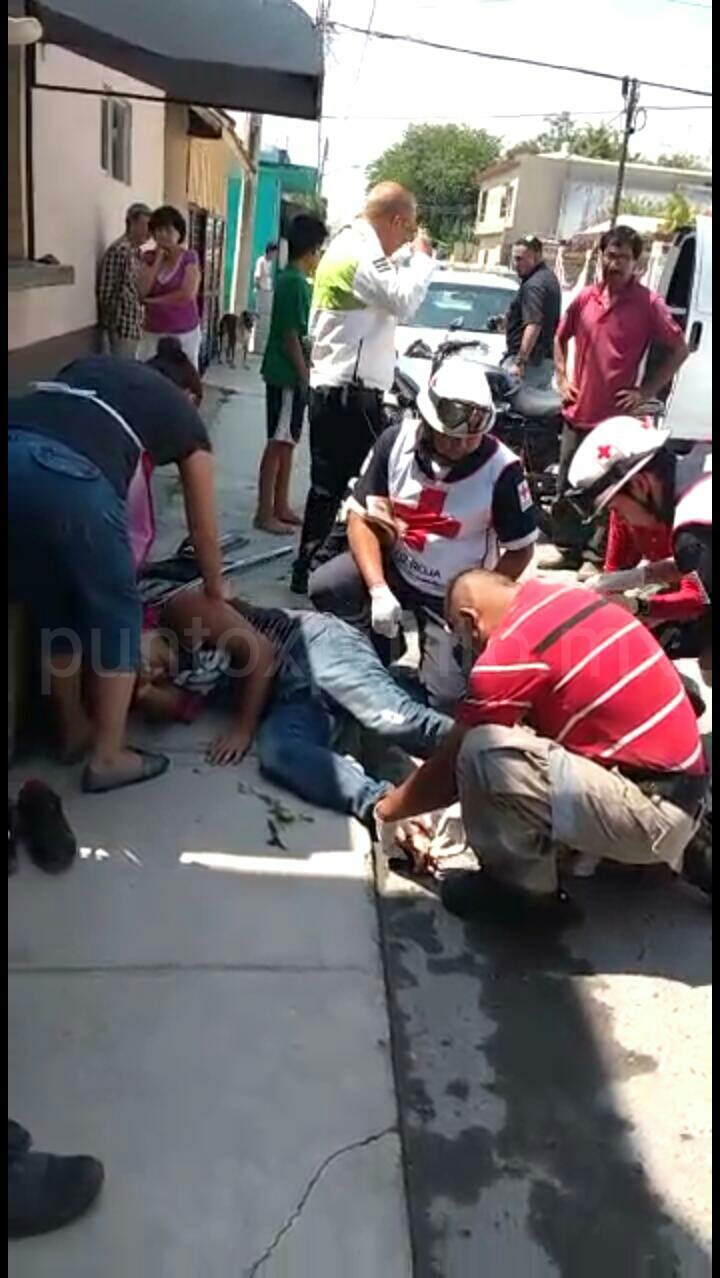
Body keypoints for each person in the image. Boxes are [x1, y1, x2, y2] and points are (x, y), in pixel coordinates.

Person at [374, 568, 708, 920]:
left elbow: (448, 769)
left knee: (482, 750)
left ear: (470, 620)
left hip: (653, 811)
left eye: (462, 637)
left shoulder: (511, 649)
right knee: (527, 735)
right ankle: (670, 846)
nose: (469, 648)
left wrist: (386, 811)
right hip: (685, 786)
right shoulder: (571, 599)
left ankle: (522, 895)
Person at [8, 347, 222, 793]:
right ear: (188, 394)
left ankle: (72, 732)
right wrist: (217, 591)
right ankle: (108, 756)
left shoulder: (91, 365)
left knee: (55, 597)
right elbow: (203, 527)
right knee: (117, 613)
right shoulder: (183, 414)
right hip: (69, 473)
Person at [308, 345, 538, 708]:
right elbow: (359, 517)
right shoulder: (395, 441)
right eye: (449, 435)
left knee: (447, 699)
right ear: (428, 422)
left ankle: (427, 662)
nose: (460, 445)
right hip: (397, 570)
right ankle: (380, 647)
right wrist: (379, 589)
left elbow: (521, 548)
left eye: (470, 437)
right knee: (327, 585)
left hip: (452, 594)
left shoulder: (503, 471)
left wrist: (476, 601)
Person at [136, 590, 451, 840]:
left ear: (139, 628)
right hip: (288, 697)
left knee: (394, 719)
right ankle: (379, 804)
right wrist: (144, 691)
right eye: (141, 675)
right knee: (280, 753)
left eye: (139, 659)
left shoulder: (180, 611)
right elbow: (177, 709)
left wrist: (244, 728)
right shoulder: (164, 680)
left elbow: (260, 652)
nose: (151, 671)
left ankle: (476, 740)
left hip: (311, 645)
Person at [291, 181, 436, 594]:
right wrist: (423, 261)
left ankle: (312, 568)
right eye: (406, 231)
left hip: (337, 391)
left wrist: (408, 254)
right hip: (348, 396)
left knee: (330, 488)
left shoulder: (348, 246)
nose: (405, 241)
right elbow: (404, 300)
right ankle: (333, 571)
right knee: (369, 488)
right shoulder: (358, 254)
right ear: (395, 220)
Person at [552, 224, 690, 565]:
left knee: (610, 494)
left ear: (636, 263)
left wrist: (645, 391)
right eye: (610, 255)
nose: (615, 263)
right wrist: (561, 376)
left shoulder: (648, 304)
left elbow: (680, 349)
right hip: (578, 411)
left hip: (614, 423)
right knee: (568, 486)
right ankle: (567, 551)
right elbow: (559, 337)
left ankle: (595, 557)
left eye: (624, 257)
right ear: (601, 256)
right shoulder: (585, 297)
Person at [566, 415, 712, 665]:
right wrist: (636, 577)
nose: (620, 518)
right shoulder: (697, 463)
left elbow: (698, 598)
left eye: (617, 508)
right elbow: (698, 566)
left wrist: (637, 605)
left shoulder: (694, 520)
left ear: (640, 484)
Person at [255, 214, 327, 533]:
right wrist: (304, 375)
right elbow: (290, 336)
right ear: (311, 250)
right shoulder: (293, 283)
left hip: (288, 373)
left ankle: (280, 504)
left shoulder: (291, 280)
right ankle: (264, 512)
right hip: (286, 375)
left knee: (288, 442)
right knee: (278, 442)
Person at [138, 206, 202, 367]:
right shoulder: (148, 257)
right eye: (158, 231)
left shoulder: (189, 258)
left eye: (167, 230)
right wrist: (158, 261)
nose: (163, 235)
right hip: (153, 331)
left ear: (178, 232)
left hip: (184, 331)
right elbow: (142, 290)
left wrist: (154, 302)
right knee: (149, 375)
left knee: (183, 378)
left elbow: (187, 294)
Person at [503, 235, 561, 389]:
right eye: (515, 259)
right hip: (542, 363)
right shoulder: (548, 278)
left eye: (521, 259)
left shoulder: (534, 285)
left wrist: (520, 362)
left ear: (537, 256)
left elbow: (534, 324)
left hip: (530, 366)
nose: (516, 264)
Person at [96, 203, 151, 359]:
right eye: (145, 225)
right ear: (131, 224)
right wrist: (112, 326)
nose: (149, 232)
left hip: (134, 326)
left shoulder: (137, 253)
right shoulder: (120, 251)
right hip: (121, 328)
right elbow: (106, 293)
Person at [253, 241, 279, 356]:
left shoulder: (271, 263)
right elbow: (257, 277)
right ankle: (257, 347)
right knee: (260, 319)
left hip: (268, 291)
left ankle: (263, 347)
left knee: (266, 320)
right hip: (262, 291)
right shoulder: (261, 261)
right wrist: (259, 290)